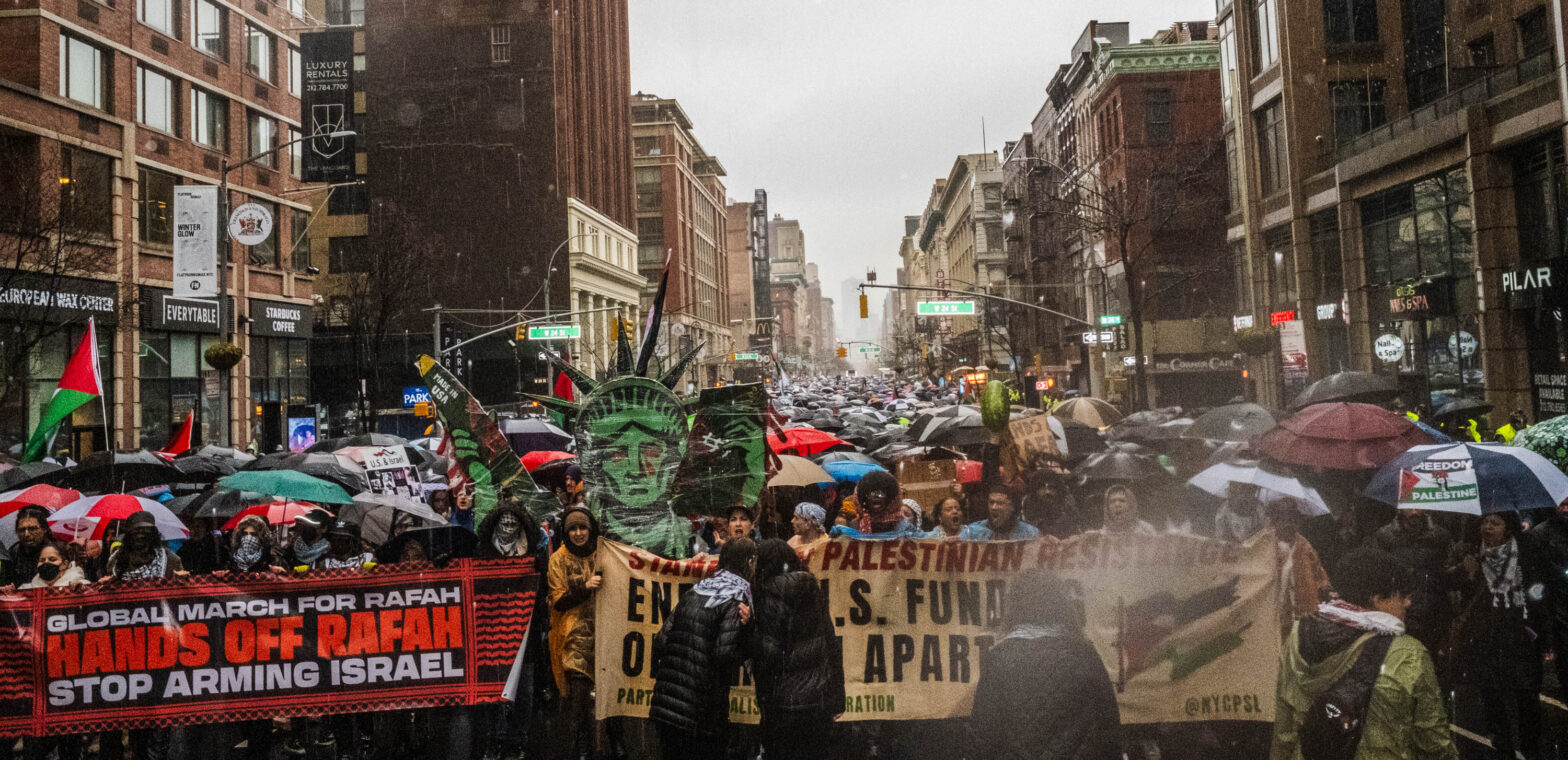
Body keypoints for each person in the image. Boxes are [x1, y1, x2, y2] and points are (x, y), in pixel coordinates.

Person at [1272, 547, 1456, 760]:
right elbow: (1432, 741)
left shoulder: (1298, 634)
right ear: (1376, 599)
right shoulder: (1409, 653)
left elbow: (1284, 728)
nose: (1408, 603)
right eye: (1401, 596)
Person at [970, 570, 1121, 760]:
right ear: (1062, 605)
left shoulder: (1000, 658)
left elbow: (985, 735)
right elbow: (1109, 731)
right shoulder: (1085, 655)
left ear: (1015, 607)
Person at [1447, 513, 1545, 760]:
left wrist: (1541, 635)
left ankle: (1531, 752)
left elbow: (1539, 592)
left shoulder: (1526, 553)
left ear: (1508, 529)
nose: (1488, 528)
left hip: (1521, 639)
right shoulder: (1470, 555)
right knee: (1494, 705)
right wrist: (1464, 572)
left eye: (1496, 523)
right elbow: (1447, 586)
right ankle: (1504, 752)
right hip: (1485, 642)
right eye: (1485, 522)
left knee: (1527, 703)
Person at [650, 538, 756, 760]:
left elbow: (661, 640)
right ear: (750, 561)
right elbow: (724, 656)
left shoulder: (696, 590)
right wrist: (748, 637)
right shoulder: (737, 597)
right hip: (701, 715)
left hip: (665, 705)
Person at [748, 539, 844, 760]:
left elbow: (769, 653)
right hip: (818, 701)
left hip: (784, 705)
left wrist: (748, 633)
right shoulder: (813, 589)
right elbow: (831, 643)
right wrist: (837, 696)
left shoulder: (769, 596)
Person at [476, 502, 548, 760]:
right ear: (495, 525)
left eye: (513, 523)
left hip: (525, 633)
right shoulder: (482, 551)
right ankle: (496, 738)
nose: (508, 528)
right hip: (491, 630)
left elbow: (544, 589)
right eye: (503, 523)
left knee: (525, 691)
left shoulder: (533, 555)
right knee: (493, 688)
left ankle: (517, 740)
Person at [549, 506, 602, 760]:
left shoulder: (603, 554)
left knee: (595, 705)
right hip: (572, 639)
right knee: (576, 702)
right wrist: (586, 586)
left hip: (603, 637)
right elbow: (558, 600)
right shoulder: (558, 559)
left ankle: (594, 749)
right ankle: (570, 750)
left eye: (583, 528)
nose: (579, 533)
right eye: (573, 529)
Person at [1370, 509, 1452, 650]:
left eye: (1418, 506)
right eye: (1410, 506)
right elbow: (1376, 574)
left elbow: (1447, 572)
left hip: (1431, 611)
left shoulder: (1440, 536)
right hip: (1398, 610)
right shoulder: (1384, 536)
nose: (1414, 511)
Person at [1267, 498, 1333, 637]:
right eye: (1283, 520)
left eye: (1292, 520)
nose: (1288, 525)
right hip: (1272, 611)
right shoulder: (1265, 546)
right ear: (1274, 522)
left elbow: (1318, 574)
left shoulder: (1304, 546)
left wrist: (1325, 590)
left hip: (1303, 612)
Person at [1527, 497, 1568, 716]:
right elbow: (1537, 575)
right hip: (1556, 605)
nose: (1565, 509)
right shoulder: (1542, 533)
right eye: (1562, 504)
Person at [102, 511, 185, 581]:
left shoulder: (171, 561)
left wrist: (180, 581)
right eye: (136, 531)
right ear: (129, 536)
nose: (140, 536)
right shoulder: (115, 561)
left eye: (145, 531)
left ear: (153, 535)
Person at [959, 486, 1041, 541]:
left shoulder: (1030, 533)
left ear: (1012, 506)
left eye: (1000, 503)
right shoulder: (971, 532)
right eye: (991, 502)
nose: (994, 507)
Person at [1019, 469, 1080, 539]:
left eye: (1051, 488)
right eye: (1042, 488)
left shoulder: (1067, 506)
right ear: (1035, 490)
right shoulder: (1028, 508)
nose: (1047, 492)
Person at [7, 508, 56, 586]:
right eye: (22, 530)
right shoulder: (13, 552)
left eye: (32, 529)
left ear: (44, 529)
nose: (26, 534)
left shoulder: (58, 551)